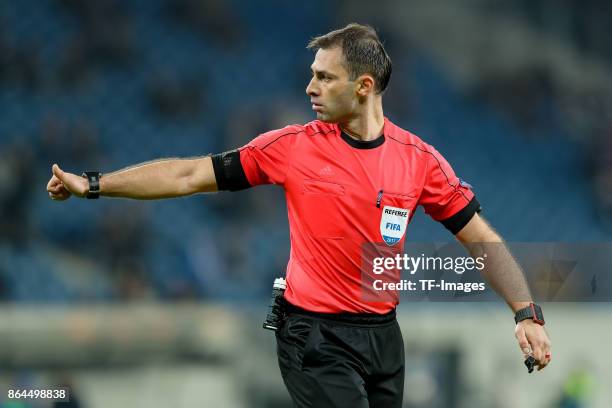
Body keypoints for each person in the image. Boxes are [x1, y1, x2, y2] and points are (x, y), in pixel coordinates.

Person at [46, 23, 552, 408]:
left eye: (324, 77)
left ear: (363, 86)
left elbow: (480, 236)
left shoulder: (419, 160)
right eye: (312, 75)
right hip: (312, 336)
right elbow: (187, 175)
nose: (310, 86)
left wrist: (525, 313)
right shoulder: (291, 147)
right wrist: (93, 184)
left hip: (383, 338)